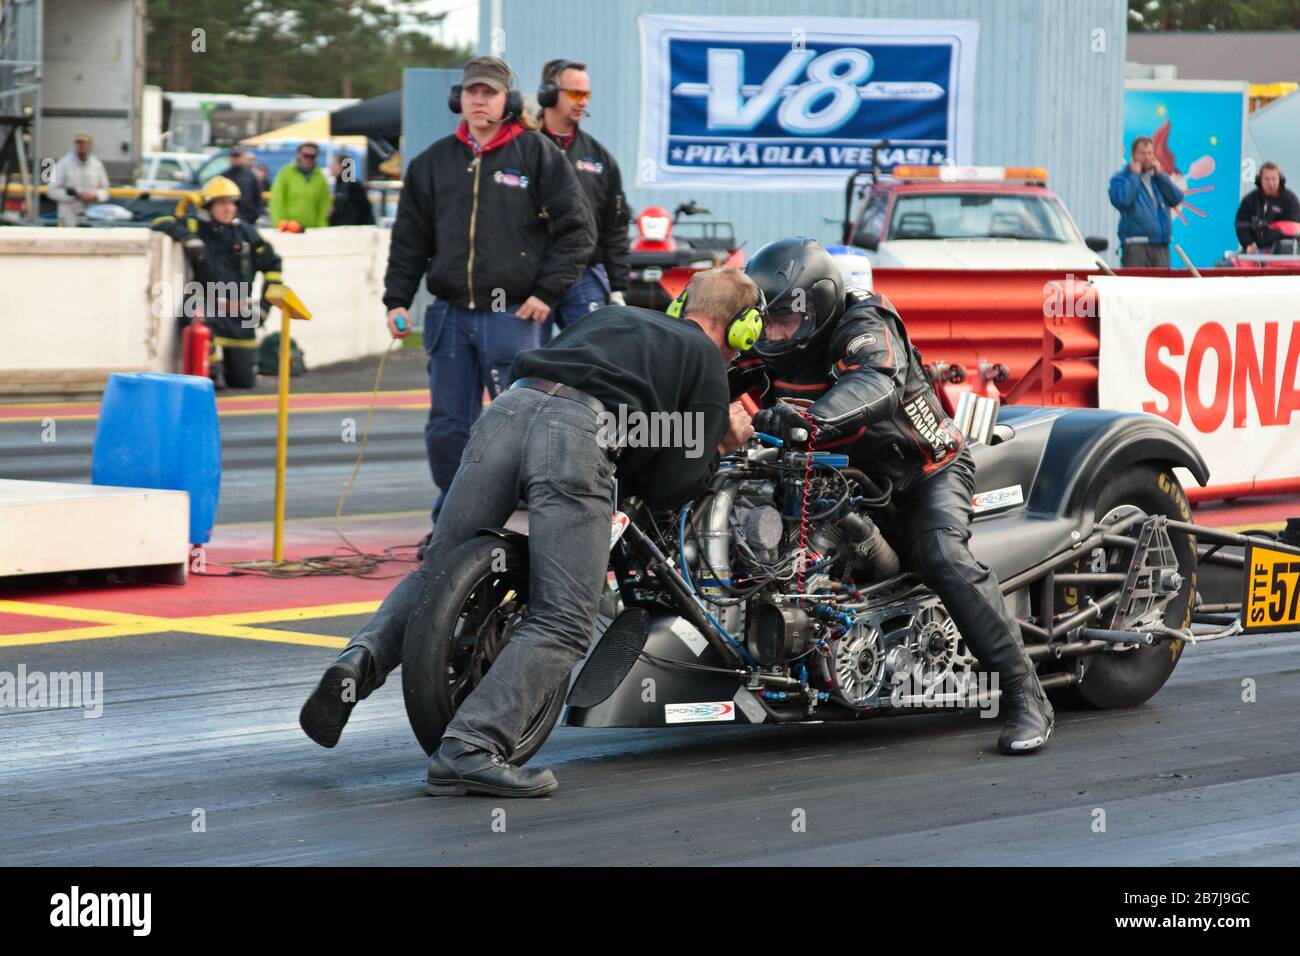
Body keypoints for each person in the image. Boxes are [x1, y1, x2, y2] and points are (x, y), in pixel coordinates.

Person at [299, 268, 759, 797]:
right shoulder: (704, 358)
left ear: (682, 305)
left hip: (507, 412)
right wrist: (721, 443)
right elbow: (672, 485)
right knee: (565, 617)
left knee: (438, 573)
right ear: (742, 330)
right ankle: (469, 747)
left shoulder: (610, 317)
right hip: (576, 434)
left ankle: (357, 662)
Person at [735, 237, 1054, 756]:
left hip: (923, 475)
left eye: (784, 322)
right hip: (847, 482)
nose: (774, 334)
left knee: (940, 556)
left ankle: (1025, 696)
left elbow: (874, 383)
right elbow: (712, 374)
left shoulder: (865, 325)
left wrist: (807, 421)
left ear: (817, 304)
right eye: (766, 322)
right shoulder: (770, 347)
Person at [381, 55, 595, 533]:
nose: (480, 100)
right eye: (473, 92)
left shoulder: (537, 155)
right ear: (459, 98)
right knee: (447, 427)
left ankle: (516, 527)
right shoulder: (432, 162)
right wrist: (396, 298)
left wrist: (547, 292)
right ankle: (451, 524)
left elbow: (578, 231)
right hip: (450, 315)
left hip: (514, 316)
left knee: (517, 426)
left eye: (490, 93)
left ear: (508, 101)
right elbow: (410, 239)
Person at [151, 175, 284, 389]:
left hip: (239, 312)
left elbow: (273, 266)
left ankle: (229, 369)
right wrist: (187, 237)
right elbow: (159, 222)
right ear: (208, 205)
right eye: (222, 203)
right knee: (191, 309)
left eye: (232, 203)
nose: (228, 208)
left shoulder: (247, 234)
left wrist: (265, 307)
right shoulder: (196, 226)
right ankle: (211, 369)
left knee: (243, 382)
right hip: (207, 305)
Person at [536, 59, 631, 327]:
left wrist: (617, 287)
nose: (583, 102)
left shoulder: (600, 158)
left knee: (594, 361)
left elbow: (615, 225)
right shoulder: (521, 150)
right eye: (575, 93)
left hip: (584, 274)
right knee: (524, 361)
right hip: (532, 275)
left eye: (586, 94)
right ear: (548, 93)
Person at [1108, 135, 1184, 267]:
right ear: (1133, 156)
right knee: (1135, 285)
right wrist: (1134, 175)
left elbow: (1176, 198)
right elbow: (1123, 200)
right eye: (1142, 154)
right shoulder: (1121, 178)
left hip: (1161, 243)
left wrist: (1161, 176)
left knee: (1162, 285)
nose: (1147, 157)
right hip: (1135, 244)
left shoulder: (1158, 178)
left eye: (1150, 153)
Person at [1234, 161, 1300, 253]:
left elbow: (1290, 229)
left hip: (1284, 252)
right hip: (1254, 251)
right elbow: (1241, 225)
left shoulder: (1290, 200)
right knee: (1225, 264)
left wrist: (1260, 243)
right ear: (1259, 180)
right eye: (1267, 179)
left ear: (1280, 180)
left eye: (1274, 179)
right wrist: (1249, 243)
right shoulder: (1249, 200)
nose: (1271, 183)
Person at [48, 132, 109, 227]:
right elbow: (51, 190)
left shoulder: (97, 165)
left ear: (90, 145)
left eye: (84, 143)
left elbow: (105, 190)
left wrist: (95, 195)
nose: (81, 146)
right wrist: (75, 195)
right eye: (78, 143)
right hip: (68, 214)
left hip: (91, 214)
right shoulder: (63, 163)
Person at [269, 141, 331, 229]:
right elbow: (276, 200)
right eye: (306, 155)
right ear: (298, 154)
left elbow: (323, 205)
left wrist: (322, 227)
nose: (309, 159)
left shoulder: (320, 177)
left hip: (312, 230)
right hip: (289, 229)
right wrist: (279, 224)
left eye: (313, 156)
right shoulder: (285, 172)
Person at [220, 146, 264, 224]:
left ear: (242, 157)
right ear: (230, 157)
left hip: (248, 217)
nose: (236, 158)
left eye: (238, 156)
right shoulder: (224, 175)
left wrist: (256, 213)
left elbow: (258, 194)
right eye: (234, 156)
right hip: (230, 217)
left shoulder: (250, 175)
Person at [327, 153, 374, 226]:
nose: (331, 167)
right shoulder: (340, 184)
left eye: (335, 164)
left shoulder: (353, 185)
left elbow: (363, 209)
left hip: (351, 230)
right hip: (343, 228)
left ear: (343, 167)